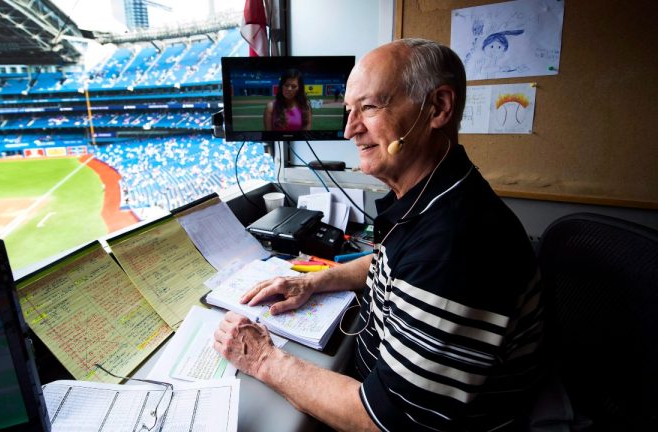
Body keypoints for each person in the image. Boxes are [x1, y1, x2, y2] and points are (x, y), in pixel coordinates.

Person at [214, 38, 543, 431]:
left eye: (369, 107)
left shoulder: (456, 244)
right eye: (349, 110)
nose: (350, 129)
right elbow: (392, 263)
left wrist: (262, 359)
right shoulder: (433, 195)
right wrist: (313, 282)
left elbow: (387, 421)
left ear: (437, 107)